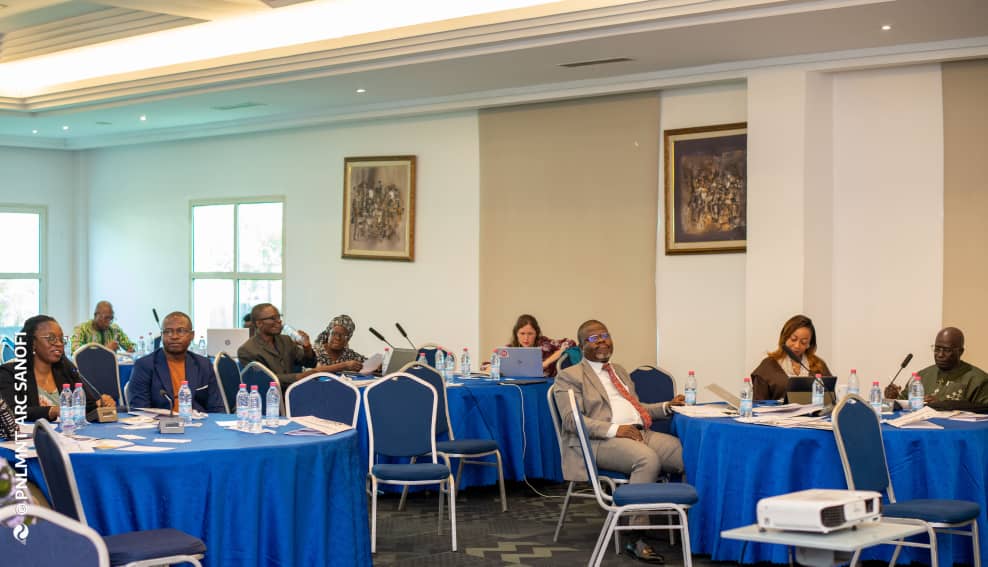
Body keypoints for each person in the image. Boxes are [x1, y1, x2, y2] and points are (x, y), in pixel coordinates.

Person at [554, 319, 684, 562]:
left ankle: (691, 525)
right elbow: (572, 420)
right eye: (594, 338)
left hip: (639, 432)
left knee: (687, 454)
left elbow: (638, 408)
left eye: (605, 335)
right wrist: (616, 430)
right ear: (581, 346)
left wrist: (667, 406)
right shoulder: (569, 376)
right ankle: (636, 536)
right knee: (646, 459)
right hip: (599, 441)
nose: (602, 341)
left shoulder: (619, 371)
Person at [0, 315, 115, 422]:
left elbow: (83, 406)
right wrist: (51, 411)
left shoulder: (65, 370)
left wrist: (99, 403)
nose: (59, 344)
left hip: (69, 434)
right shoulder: (10, 373)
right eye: (51, 338)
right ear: (32, 342)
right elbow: (11, 412)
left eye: (61, 339)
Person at [127, 311, 225, 413]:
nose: (174, 336)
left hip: (198, 421)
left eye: (181, 331)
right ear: (162, 335)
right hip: (160, 422)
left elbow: (217, 408)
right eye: (168, 331)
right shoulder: (144, 365)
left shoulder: (204, 365)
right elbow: (140, 410)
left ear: (192, 335)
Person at [885, 327, 988, 405]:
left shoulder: (978, 380)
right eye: (937, 349)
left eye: (947, 350)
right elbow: (904, 403)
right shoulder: (922, 376)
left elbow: (983, 412)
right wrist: (893, 398)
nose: (940, 354)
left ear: (960, 352)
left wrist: (943, 406)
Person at [750, 314, 831, 401]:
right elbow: (758, 403)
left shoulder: (818, 365)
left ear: (809, 344)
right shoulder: (767, 366)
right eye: (793, 339)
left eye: (803, 342)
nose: (797, 346)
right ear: (784, 338)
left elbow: (830, 398)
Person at [236, 303, 321, 386]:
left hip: (292, 391)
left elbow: (310, 363)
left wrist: (307, 348)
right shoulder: (247, 350)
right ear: (259, 323)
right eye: (273, 318)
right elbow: (263, 380)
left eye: (279, 317)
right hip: (269, 393)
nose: (279, 321)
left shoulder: (286, 340)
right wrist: (299, 377)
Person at [507, 314, 576, 378]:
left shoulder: (545, 344)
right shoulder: (510, 349)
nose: (526, 338)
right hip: (517, 383)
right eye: (522, 333)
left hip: (546, 384)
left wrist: (545, 363)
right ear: (516, 334)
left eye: (530, 334)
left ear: (536, 334)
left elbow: (570, 343)